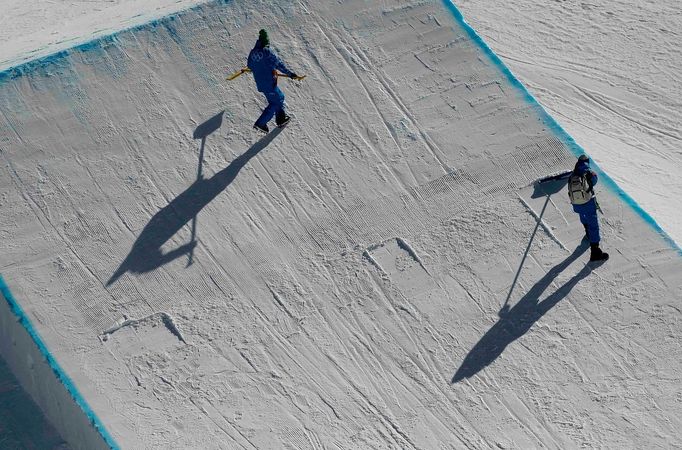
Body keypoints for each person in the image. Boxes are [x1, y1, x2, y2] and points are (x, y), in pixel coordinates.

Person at [247, 29, 299, 133]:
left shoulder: (252, 52)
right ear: (266, 42)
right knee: (277, 101)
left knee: (277, 99)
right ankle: (261, 123)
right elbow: (278, 64)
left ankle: (281, 119)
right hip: (269, 83)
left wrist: (259, 68)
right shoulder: (266, 52)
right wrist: (290, 74)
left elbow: (250, 65)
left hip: (261, 83)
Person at [568, 154, 609, 262]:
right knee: (593, 225)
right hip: (587, 202)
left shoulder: (573, 173)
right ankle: (595, 252)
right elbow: (594, 181)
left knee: (583, 216)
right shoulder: (587, 170)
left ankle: (587, 233)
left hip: (576, 203)